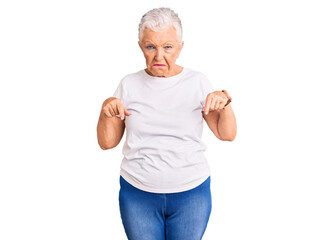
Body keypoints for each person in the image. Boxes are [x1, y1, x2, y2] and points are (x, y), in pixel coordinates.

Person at [97, 7, 237, 240]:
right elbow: (107, 143)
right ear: (141, 45)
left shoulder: (197, 82)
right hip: (137, 193)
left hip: (191, 193)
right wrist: (105, 111)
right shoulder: (128, 84)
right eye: (150, 47)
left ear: (180, 47)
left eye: (168, 47)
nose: (159, 56)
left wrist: (225, 104)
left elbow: (227, 134)